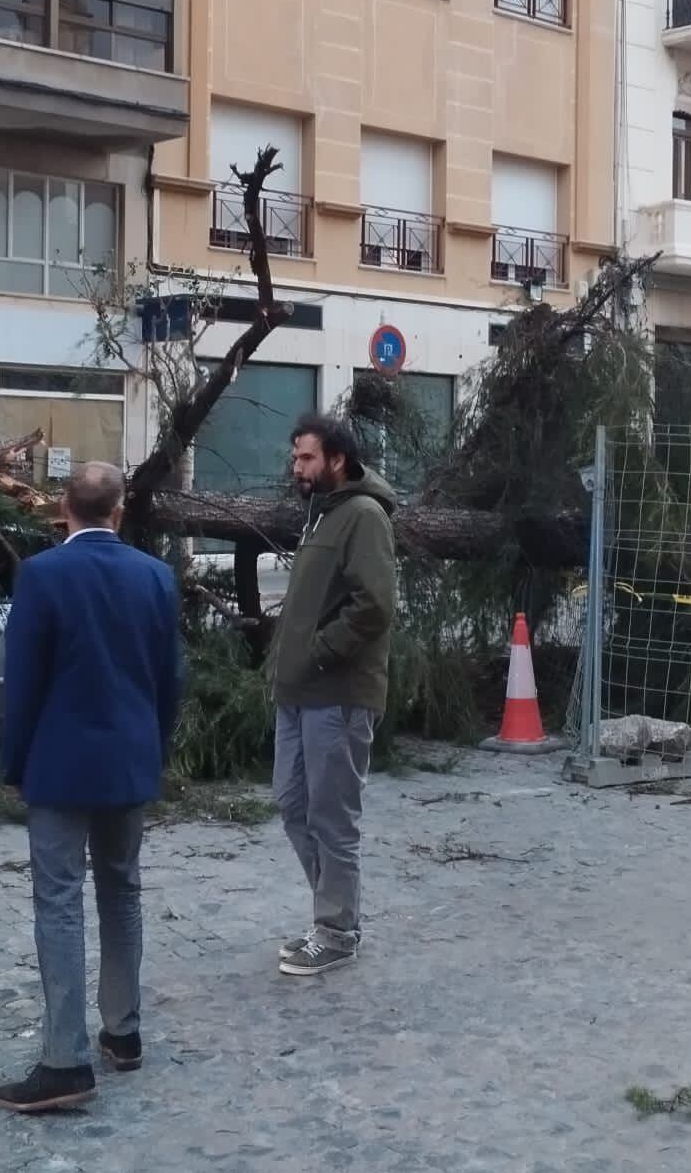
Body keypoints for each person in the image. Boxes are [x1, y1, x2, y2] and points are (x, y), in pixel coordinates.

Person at [0, 462, 182, 1115]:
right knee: (122, 889)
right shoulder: (156, 577)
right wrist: (153, 750)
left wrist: (14, 765)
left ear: (64, 510)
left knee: (60, 901)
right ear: (119, 513)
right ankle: (123, 1032)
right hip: (129, 762)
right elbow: (169, 681)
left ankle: (64, 1058)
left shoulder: (42, 576)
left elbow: (23, 684)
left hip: (60, 767)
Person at [265, 411, 398, 978]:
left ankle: (337, 930)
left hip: (338, 694)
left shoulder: (363, 516)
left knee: (331, 816)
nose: (296, 467)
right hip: (298, 692)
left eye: (307, 458)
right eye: (295, 457)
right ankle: (333, 915)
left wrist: (319, 650)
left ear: (336, 460)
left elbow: (375, 605)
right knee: (292, 804)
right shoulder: (320, 517)